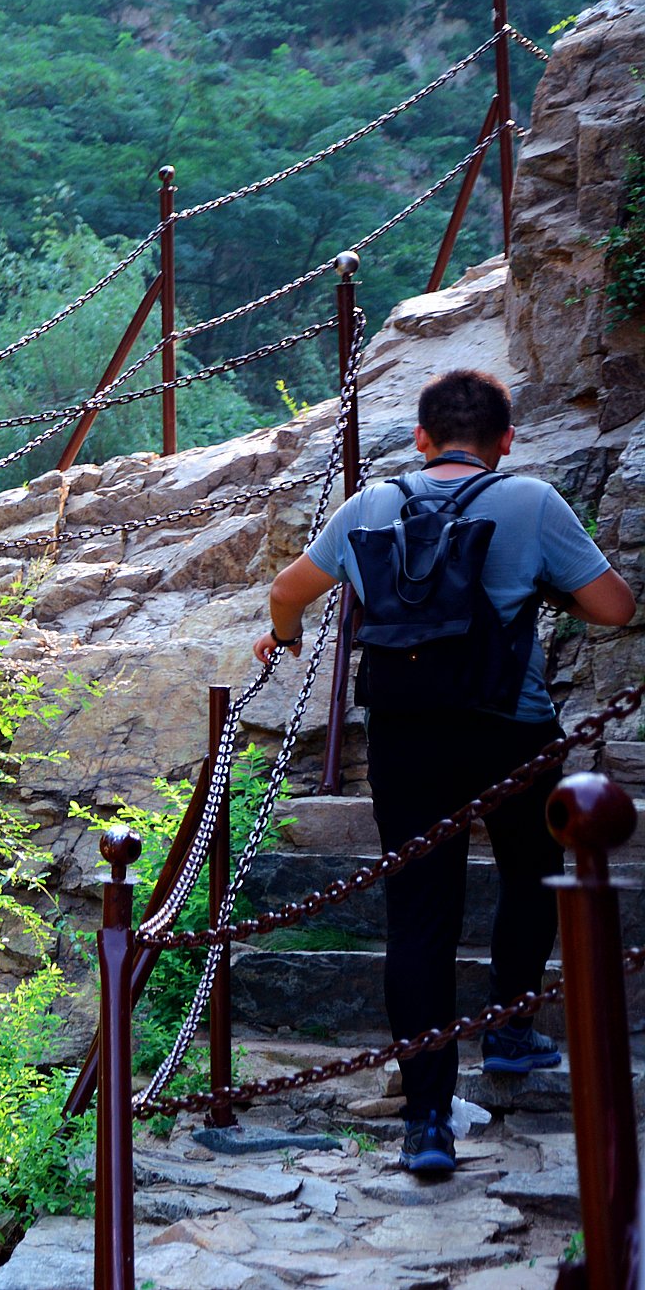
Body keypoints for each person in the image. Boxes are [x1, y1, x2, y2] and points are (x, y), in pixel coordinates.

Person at [253, 368, 635, 1175]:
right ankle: (509, 1027)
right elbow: (615, 607)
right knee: (533, 873)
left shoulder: (371, 504)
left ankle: (426, 1121)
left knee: (419, 914)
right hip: (510, 728)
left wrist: (285, 636)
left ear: (421, 437)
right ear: (505, 440)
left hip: (405, 735)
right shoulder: (529, 500)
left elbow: (288, 591)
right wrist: (542, 590)